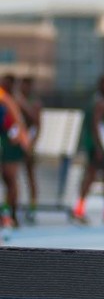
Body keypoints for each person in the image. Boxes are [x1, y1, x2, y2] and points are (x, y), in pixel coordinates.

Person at [71, 75, 104, 224]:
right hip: (101, 148)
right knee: (93, 177)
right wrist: (99, 147)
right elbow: (95, 126)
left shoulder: (103, 102)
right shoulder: (99, 103)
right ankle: (80, 210)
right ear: (101, 86)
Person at [0, 75, 29, 232]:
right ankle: (7, 214)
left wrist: (22, 134)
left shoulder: (10, 99)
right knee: (7, 179)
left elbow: (19, 118)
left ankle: (11, 214)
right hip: (5, 141)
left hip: (11, 143)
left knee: (10, 178)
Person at [16, 76, 43, 224]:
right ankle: (10, 207)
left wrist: (31, 144)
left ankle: (32, 208)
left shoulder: (34, 103)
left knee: (30, 175)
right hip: (16, 141)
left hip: (29, 142)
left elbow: (37, 124)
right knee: (11, 175)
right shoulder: (14, 101)